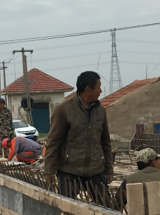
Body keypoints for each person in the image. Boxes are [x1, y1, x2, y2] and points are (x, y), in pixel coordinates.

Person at [44, 70, 113, 198]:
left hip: (96, 169)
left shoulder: (100, 111)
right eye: (98, 87)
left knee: (105, 205)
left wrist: (109, 168)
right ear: (88, 89)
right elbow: (53, 142)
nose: (100, 91)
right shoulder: (64, 110)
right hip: (70, 170)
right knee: (66, 206)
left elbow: (105, 142)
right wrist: (49, 170)